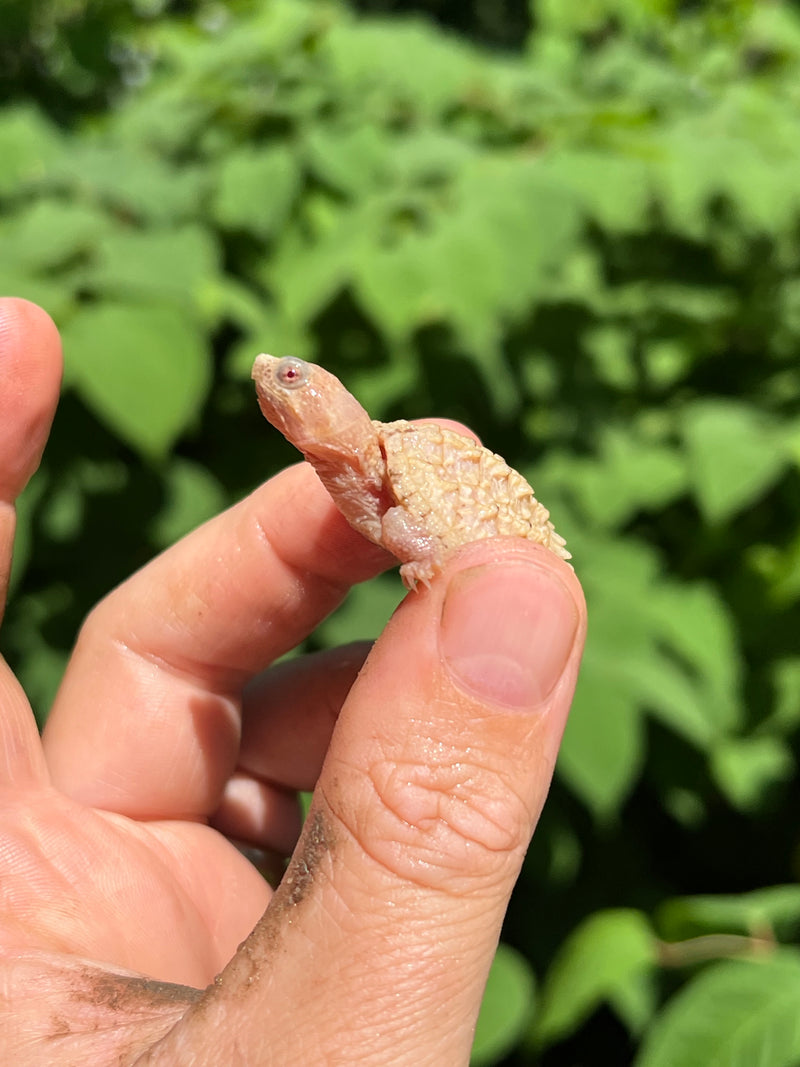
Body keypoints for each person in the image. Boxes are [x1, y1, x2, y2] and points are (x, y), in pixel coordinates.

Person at [0, 297, 586, 1064]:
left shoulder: (393, 466)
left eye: (293, 377)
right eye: (274, 381)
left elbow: (415, 537)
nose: (271, 383)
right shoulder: (358, 476)